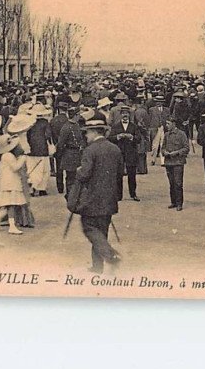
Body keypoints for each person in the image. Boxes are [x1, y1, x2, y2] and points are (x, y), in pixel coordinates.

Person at [72, 116, 123, 272]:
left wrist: (78, 172)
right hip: (110, 198)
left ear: (94, 132)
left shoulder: (90, 150)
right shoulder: (115, 149)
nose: (86, 136)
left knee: (89, 228)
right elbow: (120, 173)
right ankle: (97, 266)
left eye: (87, 133)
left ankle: (109, 255)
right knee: (102, 231)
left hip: (92, 199)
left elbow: (85, 175)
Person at [0, 133, 31, 234]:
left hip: (10, 182)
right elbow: (15, 167)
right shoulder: (8, 156)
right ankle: (12, 226)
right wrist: (23, 158)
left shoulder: (7, 156)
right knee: (11, 205)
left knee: (9, 205)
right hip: (10, 183)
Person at [108, 106, 142, 201]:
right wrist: (118, 136)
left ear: (129, 115)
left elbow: (139, 139)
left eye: (127, 113)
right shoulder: (115, 126)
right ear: (121, 115)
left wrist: (131, 137)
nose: (125, 115)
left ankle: (133, 194)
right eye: (123, 113)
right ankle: (119, 195)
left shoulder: (134, 126)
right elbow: (110, 138)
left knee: (132, 175)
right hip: (119, 153)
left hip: (131, 153)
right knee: (119, 175)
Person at [158, 117, 190, 210]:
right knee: (171, 183)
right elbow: (162, 147)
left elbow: (186, 148)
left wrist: (176, 153)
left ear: (174, 124)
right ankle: (173, 202)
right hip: (168, 162)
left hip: (178, 162)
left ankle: (179, 203)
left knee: (178, 183)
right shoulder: (167, 135)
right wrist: (165, 152)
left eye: (168, 124)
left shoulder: (181, 134)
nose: (166, 126)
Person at [57, 107, 85, 199]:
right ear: (76, 115)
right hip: (69, 153)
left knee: (77, 176)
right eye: (78, 114)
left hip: (77, 153)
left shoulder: (76, 125)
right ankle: (70, 196)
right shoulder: (66, 127)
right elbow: (61, 144)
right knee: (70, 177)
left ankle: (75, 195)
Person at [26, 103, 53, 196]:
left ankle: (33, 186)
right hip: (43, 148)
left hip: (31, 149)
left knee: (33, 169)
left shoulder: (30, 122)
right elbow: (48, 135)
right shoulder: (45, 123)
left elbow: (27, 136)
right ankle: (41, 188)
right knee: (45, 169)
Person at [50, 102, 70, 194]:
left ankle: (60, 187)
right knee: (69, 167)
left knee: (59, 167)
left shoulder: (53, 120)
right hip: (68, 146)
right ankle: (69, 185)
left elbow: (50, 135)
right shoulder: (69, 121)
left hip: (57, 145)